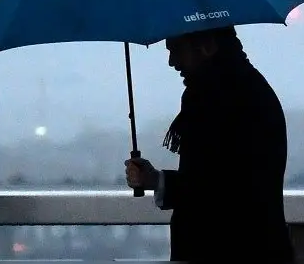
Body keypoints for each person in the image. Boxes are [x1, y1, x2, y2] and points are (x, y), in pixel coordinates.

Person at [124, 26, 295, 261]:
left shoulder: (215, 99)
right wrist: (157, 180)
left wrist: (159, 181)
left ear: (207, 45)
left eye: (177, 50)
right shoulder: (245, 89)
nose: (172, 62)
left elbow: (216, 192)